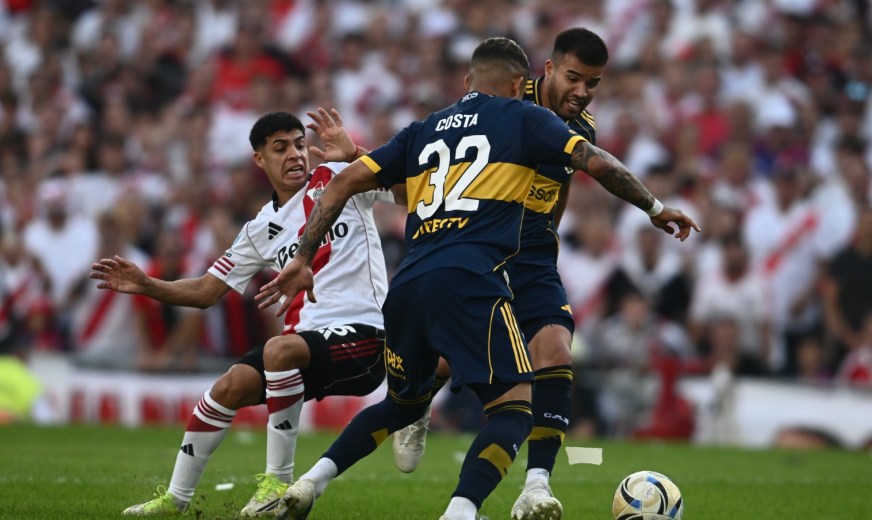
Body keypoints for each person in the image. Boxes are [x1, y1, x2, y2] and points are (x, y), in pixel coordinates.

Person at [259, 37, 697, 520]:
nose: (581, 91)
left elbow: (440, 171)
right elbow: (436, 176)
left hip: (513, 256)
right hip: (478, 257)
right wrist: (655, 208)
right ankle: (451, 478)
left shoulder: (564, 122)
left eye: (592, 84)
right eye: (573, 78)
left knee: (553, 349)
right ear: (542, 72)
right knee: (496, 392)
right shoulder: (517, 108)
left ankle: (535, 487)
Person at [91, 112, 392, 517]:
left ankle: (275, 486)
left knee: (278, 350)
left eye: (299, 144)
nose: (295, 155)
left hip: (363, 336)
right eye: (280, 148)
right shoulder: (261, 228)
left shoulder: (342, 177)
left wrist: (358, 152)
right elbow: (205, 291)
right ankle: (174, 501)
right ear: (259, 160)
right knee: (228, 386)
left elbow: (411, 191)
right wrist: (148, 285)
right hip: (306, 344)